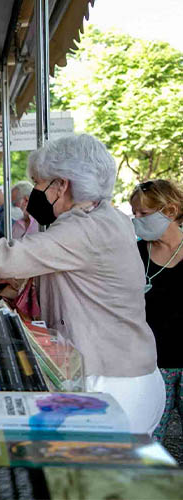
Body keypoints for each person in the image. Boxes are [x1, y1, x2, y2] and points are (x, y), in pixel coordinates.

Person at [0, 134, 165, 434]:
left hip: (112, 382)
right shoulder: (107, 219)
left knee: (92, 475)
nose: (33, 196)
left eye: (38, 183)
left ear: (61, 185)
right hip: (126, 372)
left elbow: (3, 258)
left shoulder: (85, 227)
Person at [130, 179, 183, 441]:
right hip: (150, 365)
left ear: (170, 211)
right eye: (135, 213)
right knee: (150, 440)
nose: (137, 219)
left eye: (144, 214)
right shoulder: (135, 253)